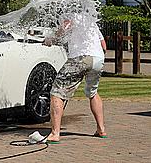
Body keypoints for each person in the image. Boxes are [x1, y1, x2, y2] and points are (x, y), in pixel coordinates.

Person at [44, 15, 107, 143]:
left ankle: (55, 134)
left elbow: (62, 31)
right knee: (92, 92)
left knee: (57, 93)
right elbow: (104, 45)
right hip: (98, 59)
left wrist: (49, 40)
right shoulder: (90, 21)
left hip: (80, 58)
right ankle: (101, 129)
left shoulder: (70, 16)